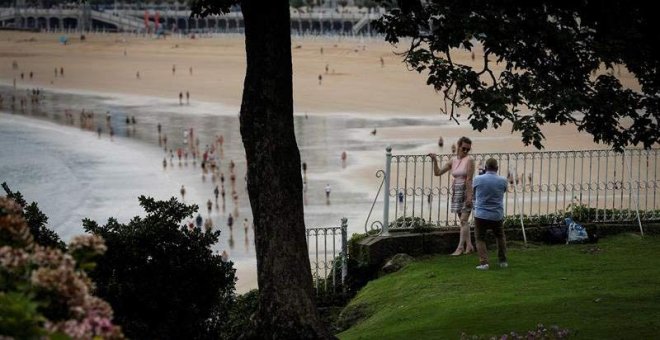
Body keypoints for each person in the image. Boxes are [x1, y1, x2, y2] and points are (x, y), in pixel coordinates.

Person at [429, 136, 475, 256]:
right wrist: (434, 160)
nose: (465, 151)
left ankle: (460, 248)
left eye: (468, 149)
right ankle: (469, 246)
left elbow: (469, 180)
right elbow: (437, 173)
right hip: (456, 190)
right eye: (464, 148)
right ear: (459, 146)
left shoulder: (470, 160)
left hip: (466, 190)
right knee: (463, 221)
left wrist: (470, 197)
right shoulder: (452, 161)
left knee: (464, 220)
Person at [472, 158, 508, 270]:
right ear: (497, 168)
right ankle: (503, 261)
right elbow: (504, 191)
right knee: (500, 236)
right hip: (497, 214)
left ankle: (484, 262)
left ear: (485, 168)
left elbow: (474, 193)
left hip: (481, 214)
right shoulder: (503, 180)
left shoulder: (477, 179)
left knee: (480, 238)